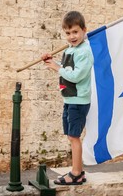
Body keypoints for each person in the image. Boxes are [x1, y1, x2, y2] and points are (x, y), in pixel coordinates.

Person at [41, 11, 94, 185]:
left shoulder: (84, 52)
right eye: (68, 33)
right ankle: (76, 171)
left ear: (84, 30)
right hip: (70, 100)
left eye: (75, 32)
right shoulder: (72, 49)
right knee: (71, 136)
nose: (72, 36)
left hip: (78, 102)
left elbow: (77, 75)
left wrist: (56, 67)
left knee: (74, 137)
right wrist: (52, 61)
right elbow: (67, 67)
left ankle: (77, 173)